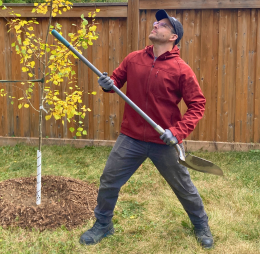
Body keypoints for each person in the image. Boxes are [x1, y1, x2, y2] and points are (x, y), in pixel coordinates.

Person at [79, 9, 213, 249]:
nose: (155, 25)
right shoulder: (134, 59)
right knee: (109, 180)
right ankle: (103, 224)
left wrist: (177, 131)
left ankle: (201, 224)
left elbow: (197, 104)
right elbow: (115, 83)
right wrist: (107, 83)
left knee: (183, 187)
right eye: (155, 22)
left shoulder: (181, 69)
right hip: (131, 137)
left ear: (173, 37)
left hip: (165, 141)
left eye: (162, 25)